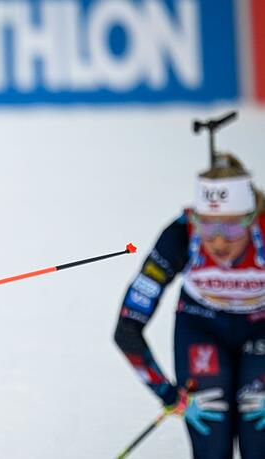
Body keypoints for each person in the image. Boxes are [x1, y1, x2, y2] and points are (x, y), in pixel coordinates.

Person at [114, 153, 265, 458]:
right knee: (212, 445)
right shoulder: (180, 234)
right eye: (208, 227)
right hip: (201, 329)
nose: (219, 241)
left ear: (252, 219)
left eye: (233, 228)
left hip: (260, 333)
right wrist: (168, 394)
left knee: (258, 442)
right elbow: (127, 328)